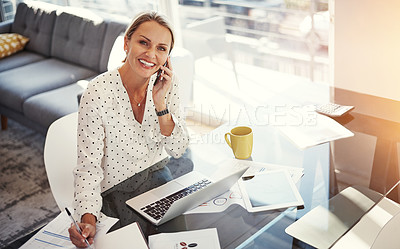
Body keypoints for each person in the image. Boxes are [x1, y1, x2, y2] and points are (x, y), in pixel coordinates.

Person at [68, 11, 189, 248]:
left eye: (161, 48)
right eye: (143, 42)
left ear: (168, 56)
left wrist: (161, 104)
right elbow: (88, 167)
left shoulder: (168, 85)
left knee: (180, 244)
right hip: (114, 193)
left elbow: (178, 148)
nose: (151, 54)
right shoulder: (98, 92)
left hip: (157, 180)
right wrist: (88, 219)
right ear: (126, 43)